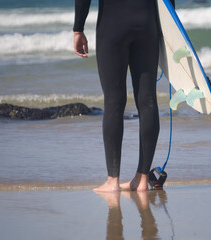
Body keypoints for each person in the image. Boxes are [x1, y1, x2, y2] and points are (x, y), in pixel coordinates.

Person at [73, 0, 174, 192]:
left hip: (112, 26)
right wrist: (168, 33)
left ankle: (113, 181)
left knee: (114, 101)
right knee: (148, 102)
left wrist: (78, 29)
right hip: (147, 25)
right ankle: (143, 179)